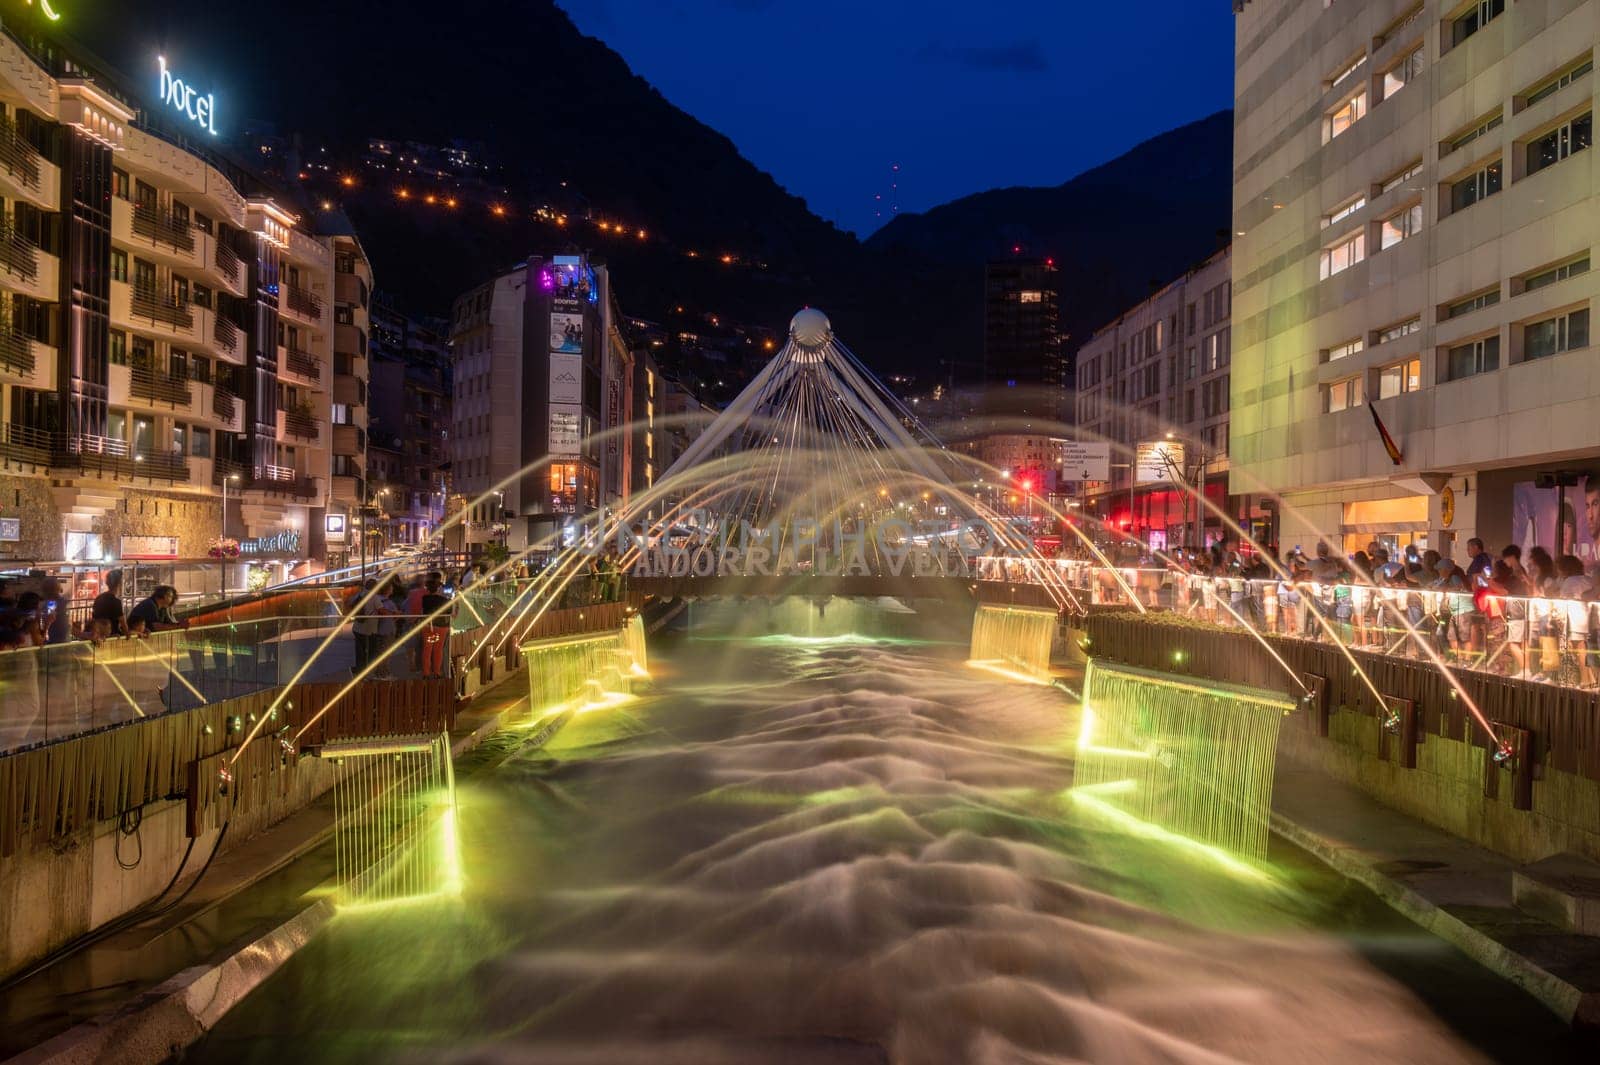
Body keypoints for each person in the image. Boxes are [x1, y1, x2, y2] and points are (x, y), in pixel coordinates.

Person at [419, 574, 453, 678]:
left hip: (428, 626)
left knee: (427, 650)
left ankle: (426, 673)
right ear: (439, 588)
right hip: (441, 626)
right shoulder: (445, 600)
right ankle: (437, 672)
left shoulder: (424, 599)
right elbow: (450, 612)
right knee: (438, 650)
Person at [91, 571, 126, 640]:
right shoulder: (116, 602)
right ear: (119, 584)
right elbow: (123, 624)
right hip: (112, 637)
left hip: (99, 636)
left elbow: (94, 619)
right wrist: (128, 634)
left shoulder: (99, 598)